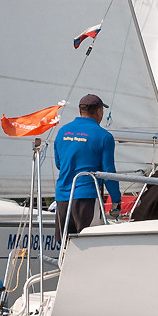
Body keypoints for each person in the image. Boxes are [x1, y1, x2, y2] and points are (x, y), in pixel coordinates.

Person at [52, 93, 118, 240]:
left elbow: (59, 164)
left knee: (66, 242)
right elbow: (109, 173)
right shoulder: (104, 136)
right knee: (89, 240)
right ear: (99, 111)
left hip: (62, 196)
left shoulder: (62, 131)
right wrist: (116, 200)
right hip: (87, 197)